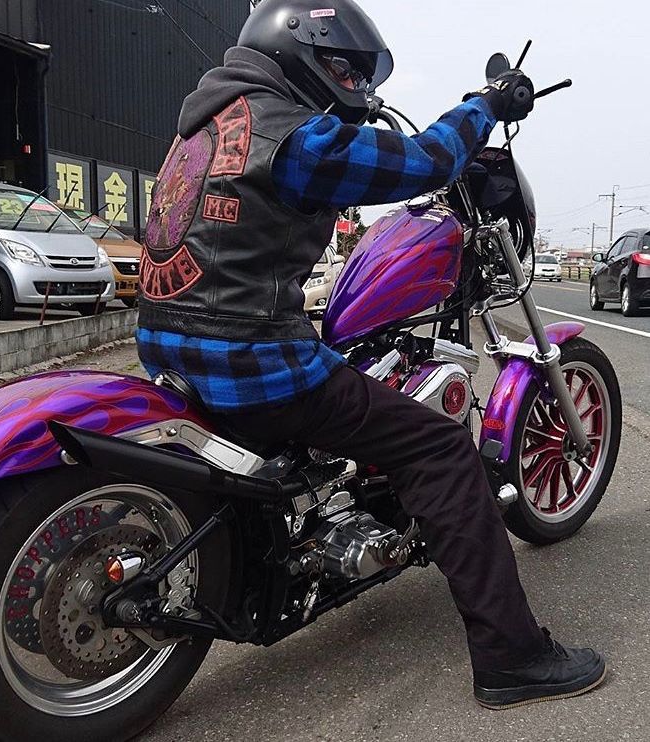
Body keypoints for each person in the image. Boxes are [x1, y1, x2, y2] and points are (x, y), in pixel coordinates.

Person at [136, 0, 605, 709]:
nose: (354, 86)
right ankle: (513, 658)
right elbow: (423, 162)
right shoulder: (291, 134)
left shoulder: (205, 125)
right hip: (249, 359)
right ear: (300, 53)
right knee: (439, 448)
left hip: (170, 346)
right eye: (344, 69)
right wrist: (485, 105)